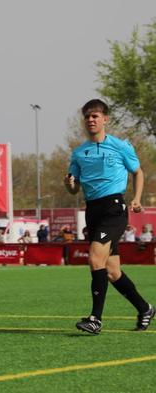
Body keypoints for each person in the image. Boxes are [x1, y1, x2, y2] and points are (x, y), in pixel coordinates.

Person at [65, 98, 154, 334]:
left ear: (105, 119)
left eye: (95, 116)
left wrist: (136, 199)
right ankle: (145, 308)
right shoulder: (78, 153)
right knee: (112, 271)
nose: (91, 120)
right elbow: (74, 188)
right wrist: (70, 184)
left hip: (114, 208)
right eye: (87, 116)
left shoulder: (120, 146)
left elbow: (138, 171)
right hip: (92, 210)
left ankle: (95, 319)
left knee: (95, 259)